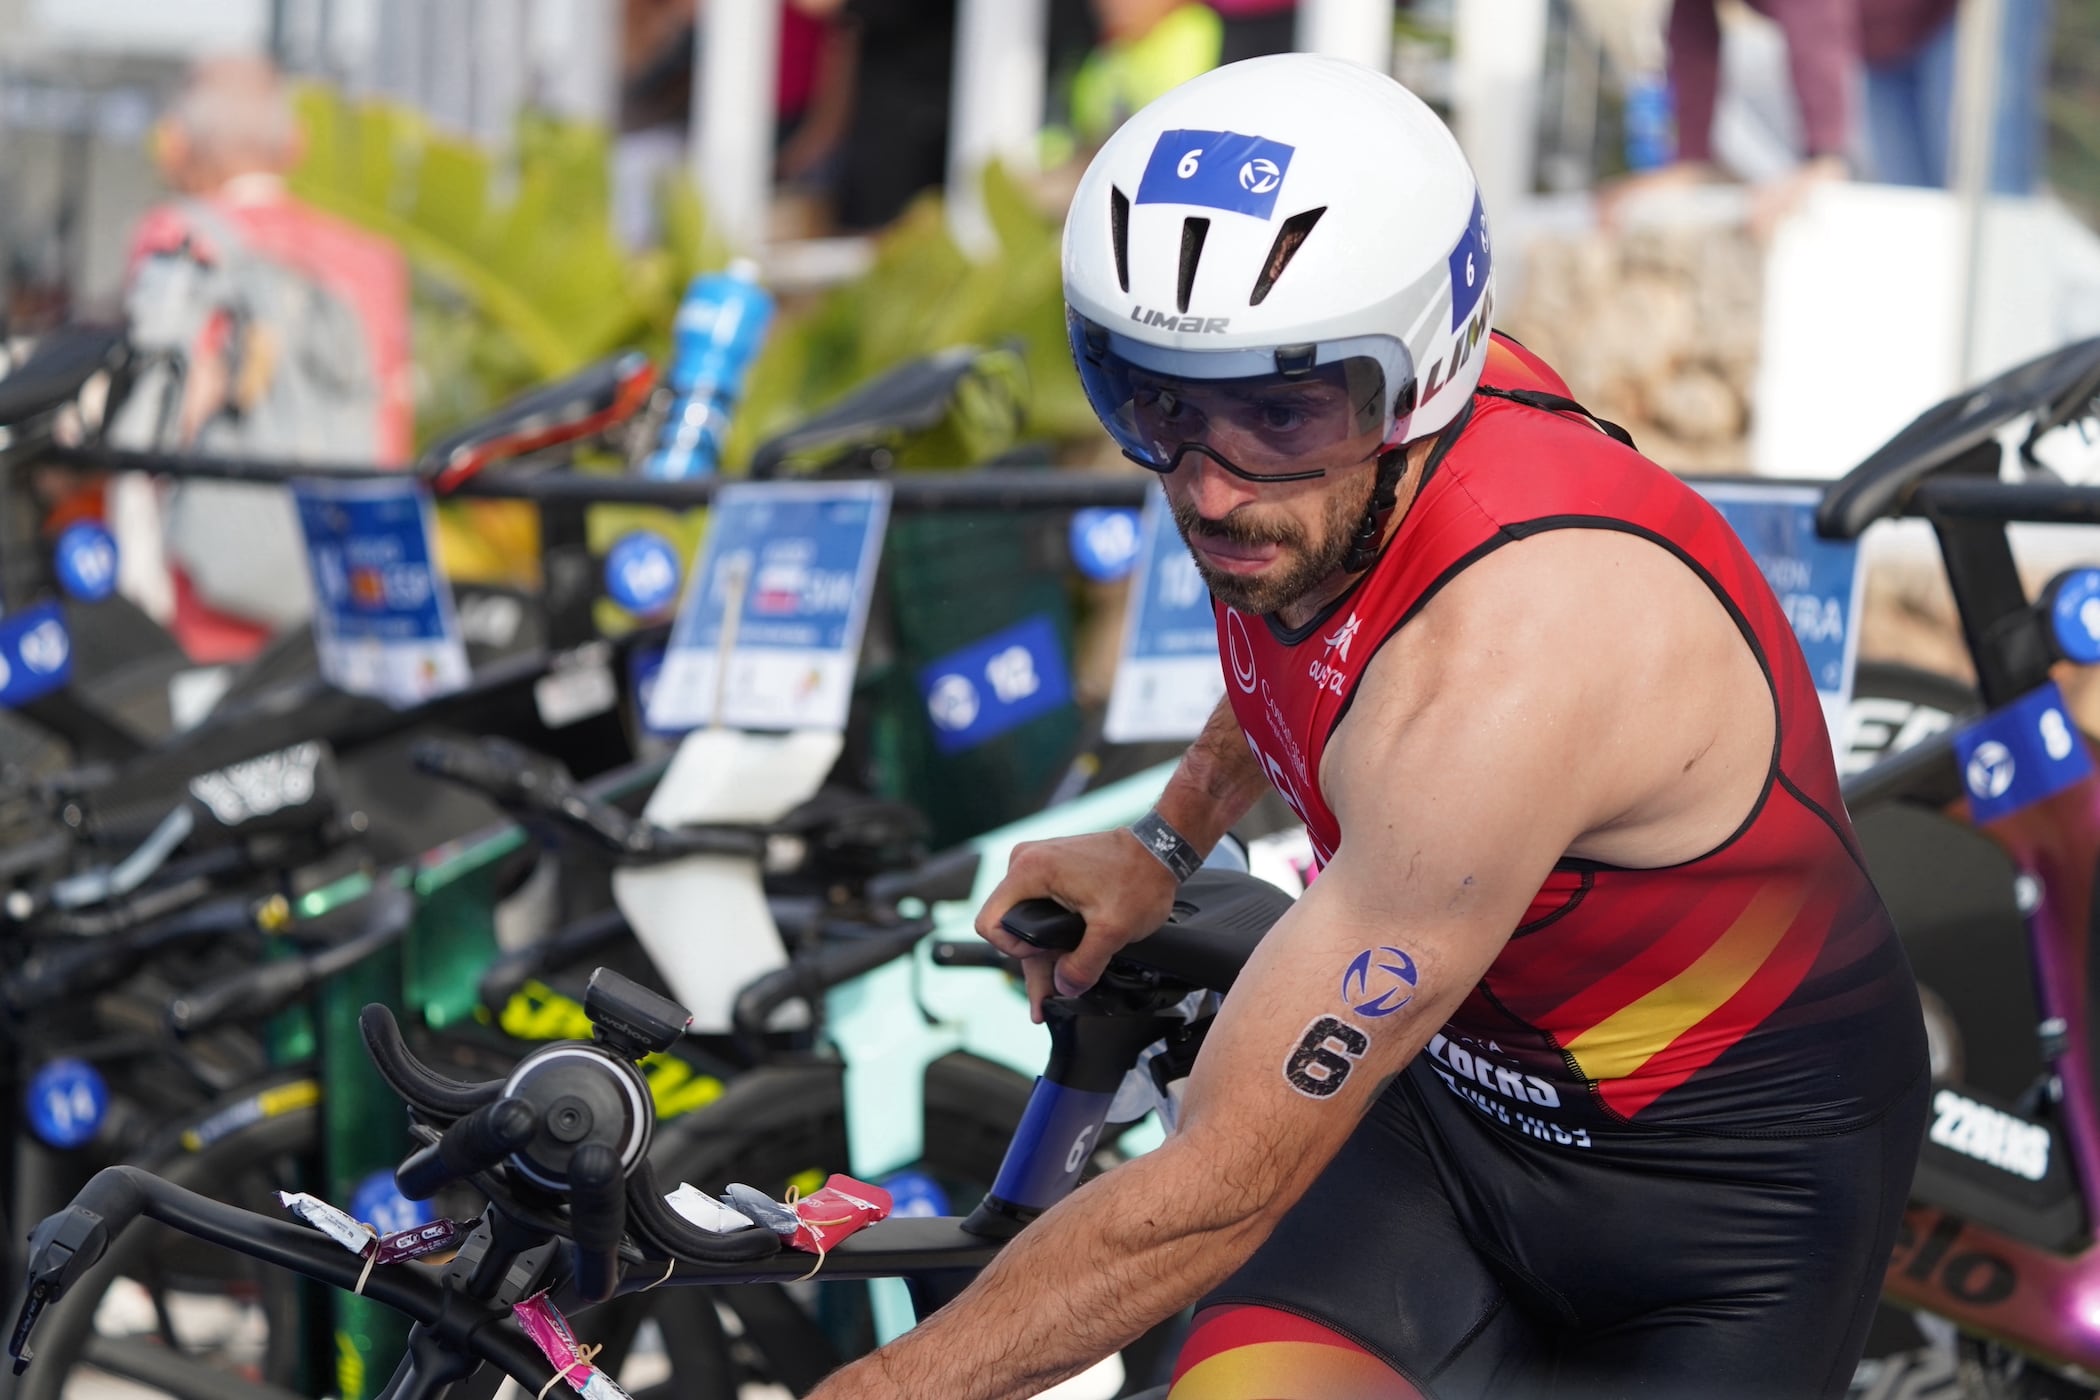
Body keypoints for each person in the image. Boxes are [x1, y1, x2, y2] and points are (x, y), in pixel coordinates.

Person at [811, 53, 1928, 1400]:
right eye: (1152, 396)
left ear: (1424, 377)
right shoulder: (1337, 485)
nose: (1211, 489)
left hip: (1716, 1207)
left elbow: (1219, 1190)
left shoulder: (1510, 663)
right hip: (1457, 1124)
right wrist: (1166, 843)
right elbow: (1305, 645)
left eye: (1280, 408)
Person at [114, 54, 411, 662]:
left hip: (210, 598)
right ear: (293, 146)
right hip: (350, 586)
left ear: (178, 145)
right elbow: (390, 429)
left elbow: (150, 420)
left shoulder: (177, 238)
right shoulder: (372, 260)